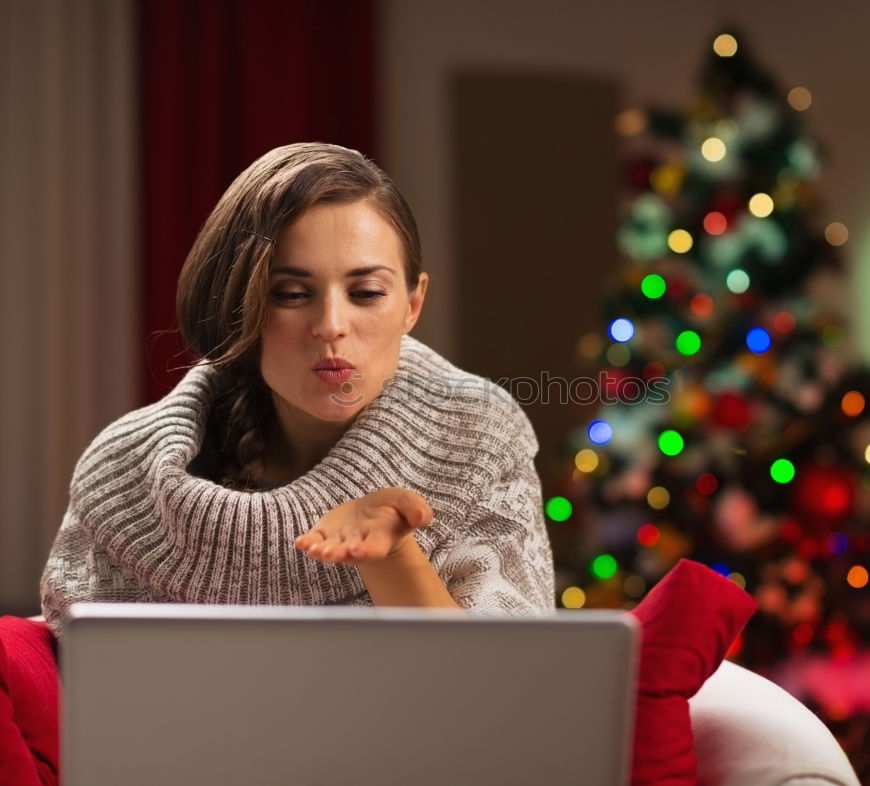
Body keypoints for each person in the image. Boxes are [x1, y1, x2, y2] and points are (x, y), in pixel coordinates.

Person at [40, 142, 556, 637]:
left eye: (366, 292)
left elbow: (502, 693)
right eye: (290, 294)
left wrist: (391, 555)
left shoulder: (479, 434)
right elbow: (99, 688)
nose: (331, 324)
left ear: (411, 305)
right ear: (237, 305)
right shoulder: (124, 471)